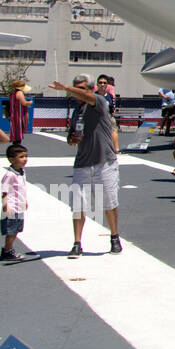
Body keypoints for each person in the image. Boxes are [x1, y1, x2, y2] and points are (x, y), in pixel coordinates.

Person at [49, 75, 122, 257]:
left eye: (81, 88)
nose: (77, 92)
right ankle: (77, 242)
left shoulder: (98, 101)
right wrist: (71, 139)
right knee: (77, 204)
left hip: (104, 161)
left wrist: (65, 87)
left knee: (109, 202)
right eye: (75, 88)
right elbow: (71, 136)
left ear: (90, 89)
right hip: (82, 162)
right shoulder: (77, 111)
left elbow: (88, 97)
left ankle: (114, 236)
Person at [2, 143, 28, 262]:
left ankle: (9, 249)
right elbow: (4, 191)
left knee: (16, 229)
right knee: (11, 230)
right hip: (12, 207)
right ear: (12, 159)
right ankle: (7, 251)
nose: (25, 159)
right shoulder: (10, 175)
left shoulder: (22, 173)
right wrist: (5, 204)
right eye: (21, 157)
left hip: (20, 206)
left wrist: (25, 201)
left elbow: (22, 189)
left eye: (26, 156)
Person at [7, 80, 30, 145]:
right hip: (18, 115)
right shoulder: (19, 93)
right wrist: (30, 102)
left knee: (15, 131)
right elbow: (24, 103)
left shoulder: (12, 94)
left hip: (13, 115)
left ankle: (16, 144)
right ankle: (17, 145)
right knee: (19, 131)